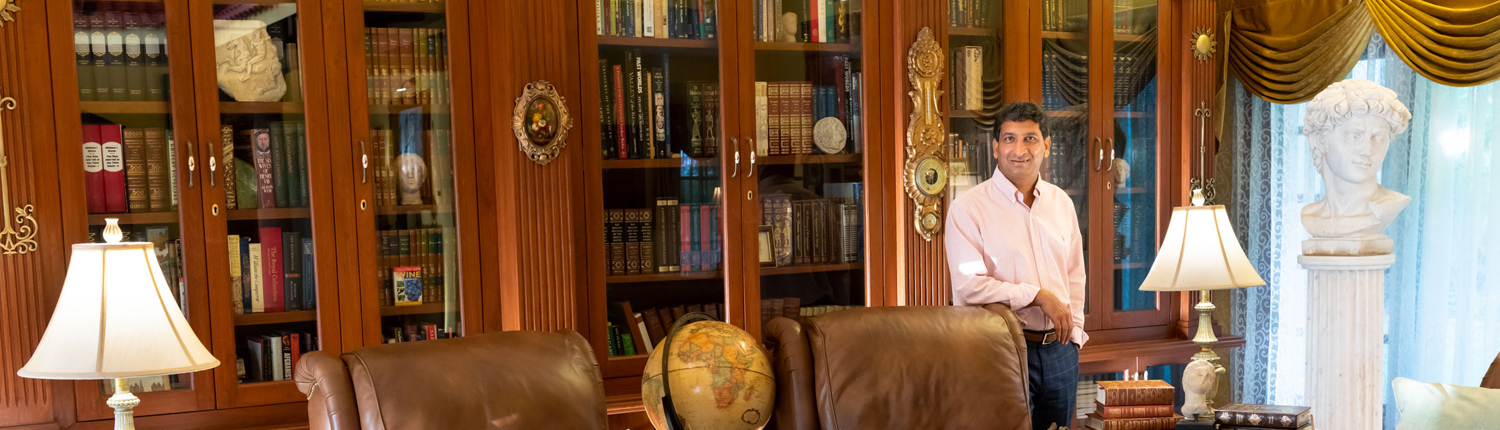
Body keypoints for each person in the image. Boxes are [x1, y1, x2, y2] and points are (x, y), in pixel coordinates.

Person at [944, 101, 1087, 430]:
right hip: (1001, 349)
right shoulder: (968, 208)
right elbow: (969, 287)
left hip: (1060, 352)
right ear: (995, 147)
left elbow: (1075, 275)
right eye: (1009, 139)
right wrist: (1038, 295)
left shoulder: (1060, 203)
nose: (1019, 149)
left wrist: (1075, 335)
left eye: (1030, 139)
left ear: (1047, 146)